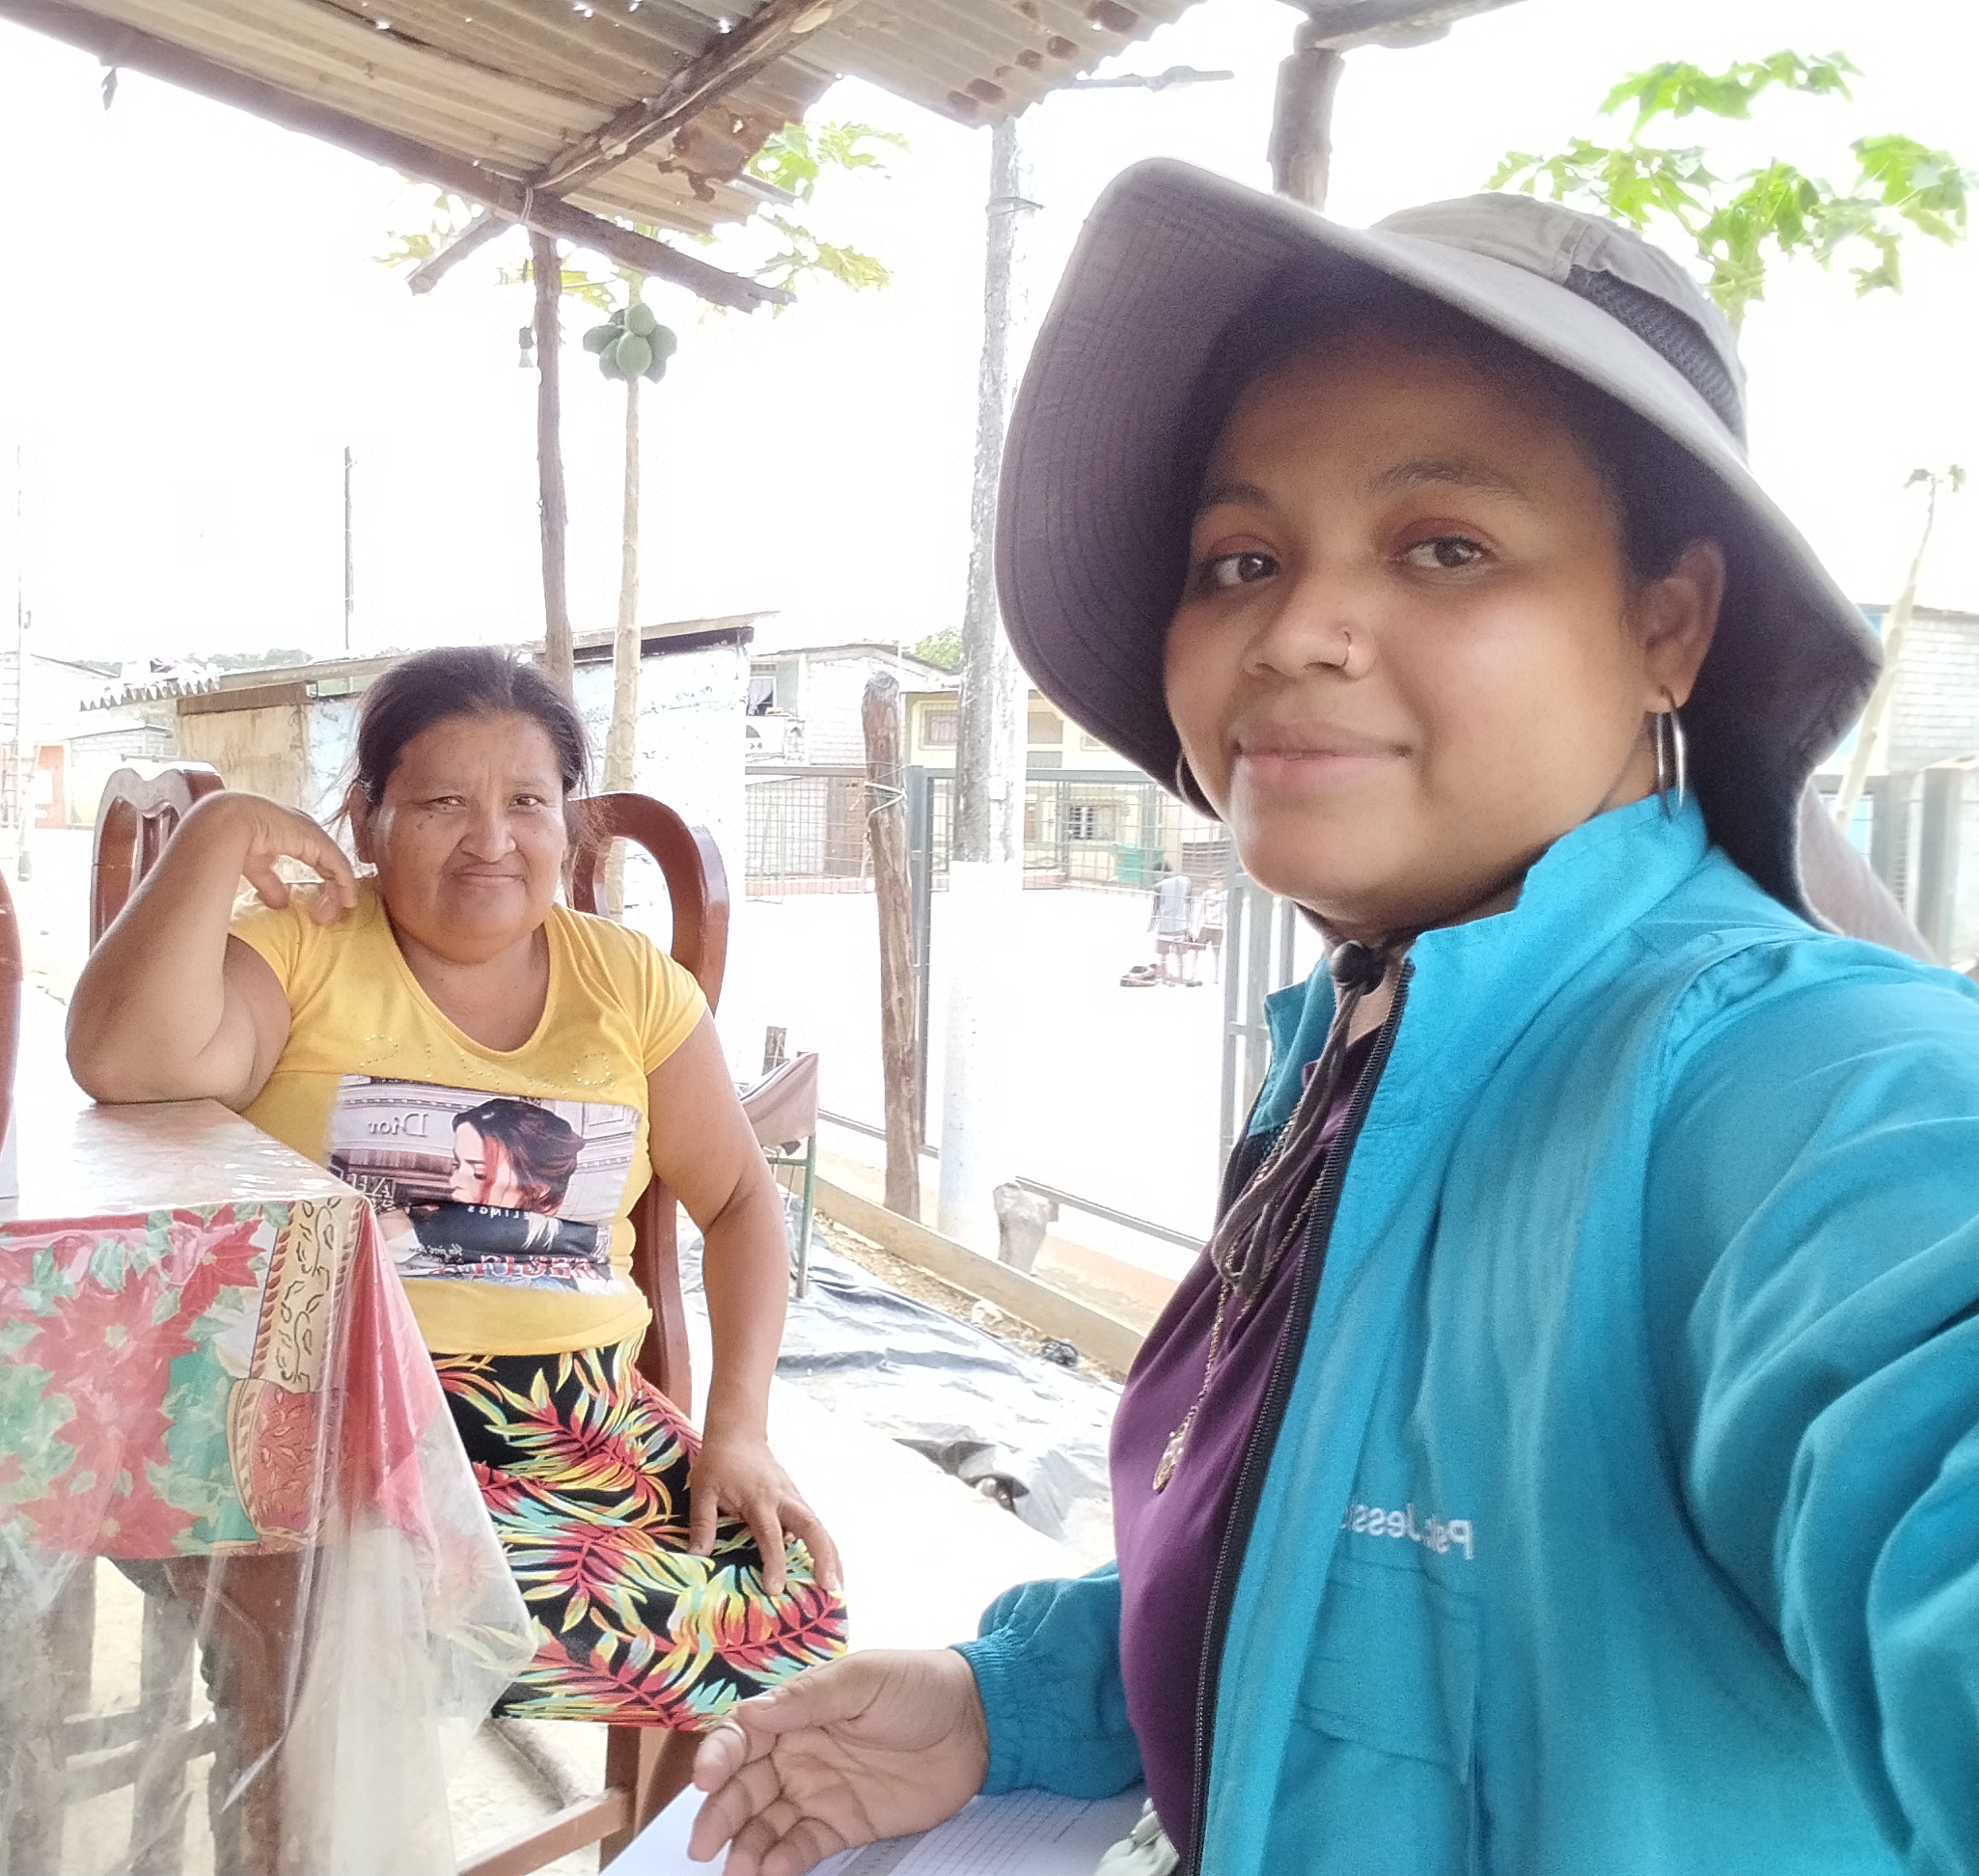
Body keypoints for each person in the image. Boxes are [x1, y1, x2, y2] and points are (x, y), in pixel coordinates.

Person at [688, 162, 1979, 1876]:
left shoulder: (1798, 1083)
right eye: (1240, 557)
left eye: (1445, 546)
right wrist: (1027, 1694)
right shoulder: (1362, 1046)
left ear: (1667, 620)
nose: (1292, 630)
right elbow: (1344, 1534)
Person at [68, 646, 845, 1741]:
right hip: (344, 1419)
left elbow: (740, 1204)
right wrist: (216, 832)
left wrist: (741, 1426)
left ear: (568, 824)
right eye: (442, 803)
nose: (491, 839)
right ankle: (323, 1728)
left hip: (577, 1424)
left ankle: (363, 1691)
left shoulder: (627, 980)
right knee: (360, 1625)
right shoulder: (304, 949)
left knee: (790, 1600)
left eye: (528, 802)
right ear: (368, 816)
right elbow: (124, 1061)